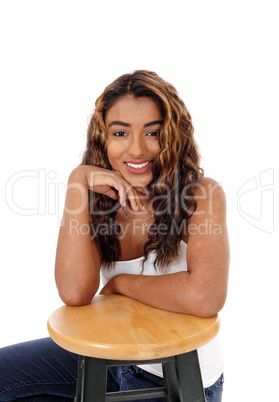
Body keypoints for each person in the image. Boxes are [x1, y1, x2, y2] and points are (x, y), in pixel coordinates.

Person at [0, 70, 229, 401]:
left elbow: (205, 296)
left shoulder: (201, 195)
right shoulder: (99, 198)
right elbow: (75, 291)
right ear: (102, 139)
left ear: (173, 136)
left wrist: (122, 285)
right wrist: (77, 181)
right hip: (108, 354)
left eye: (153, 132)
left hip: (175, 371)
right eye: (120, 132)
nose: (136, 150)